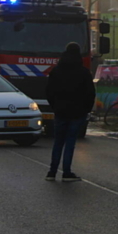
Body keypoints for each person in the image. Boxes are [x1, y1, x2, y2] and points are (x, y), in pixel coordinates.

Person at [45, 42, 96, 182]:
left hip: (60, 111)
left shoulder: (56, 71)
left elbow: (49, 92)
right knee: (70, 142)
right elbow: (90, 94)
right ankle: (66, 172)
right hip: (77, 113)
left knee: (58, 142)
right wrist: (86, 110)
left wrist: (55, 106)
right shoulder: (84, 72)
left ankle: (52, 172)